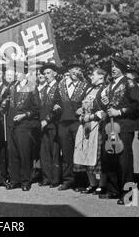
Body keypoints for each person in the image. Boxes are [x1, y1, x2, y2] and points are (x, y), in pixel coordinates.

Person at [95, 56, 139, 205]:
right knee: (109, 159)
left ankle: (128, 195)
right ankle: (113, 190)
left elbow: (137, 106)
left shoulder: (129, 83)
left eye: (116, 66)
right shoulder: (108, 86)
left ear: (122, 68)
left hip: (124, 126)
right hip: (109, 127)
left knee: (124, 161)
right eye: (112, 66)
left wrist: (120, 112)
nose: (113, 69)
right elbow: (102, 103)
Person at [4, 70, 40, 191]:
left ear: (25, 74)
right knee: (12, 153)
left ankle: (25, 181)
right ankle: (15, 180)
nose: (15, 75)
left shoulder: (32, 87)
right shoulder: (12, 86)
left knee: (24, 154)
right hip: (11, 124)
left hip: (24, 125)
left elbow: (36, 109)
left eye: (18, 72)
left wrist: (24, 115)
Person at [73, 67, 107, 194]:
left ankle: (102, 184)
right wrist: (80, 111)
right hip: (84, 125)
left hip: (97, 126)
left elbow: (105, 110)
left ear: (101, 76)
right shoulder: (89, 89)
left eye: (93, 74)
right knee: (85, 153)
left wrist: (91, 117)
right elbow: (82, 105)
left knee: (97, 156)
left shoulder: (105, 90)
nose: (91, 77)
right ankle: (92, 183)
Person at [56, 60, 89, 190]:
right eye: (74, 69)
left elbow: (89, 102)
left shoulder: (85, 85)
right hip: (63, 123)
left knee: (80, 152)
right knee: (66, 153)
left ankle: (81, 182)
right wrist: (56, 105)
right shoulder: (60, 85)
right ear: (68, 71)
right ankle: (68, 180)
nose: (76, 72)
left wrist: (83, 108)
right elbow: (56, 100)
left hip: (77, 123)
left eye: (79, 70)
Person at [38, 63, 61, 188]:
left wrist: (46, 120)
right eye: (45, 73)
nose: (46, 76)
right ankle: (46, 177)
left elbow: (58, 107)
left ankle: (55, 179)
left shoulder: (59, 87)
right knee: (44, 152)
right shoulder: (42, 89)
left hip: (53, 124)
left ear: (55, 73)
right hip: (42, 125)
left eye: (48, 73)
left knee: (54, 152)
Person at [125, 65, 139, 180]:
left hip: (135, 122)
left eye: (130, 73)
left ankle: (136, 174)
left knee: (136, 149)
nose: (127, 75)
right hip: (126, 122)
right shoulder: (123, 86)